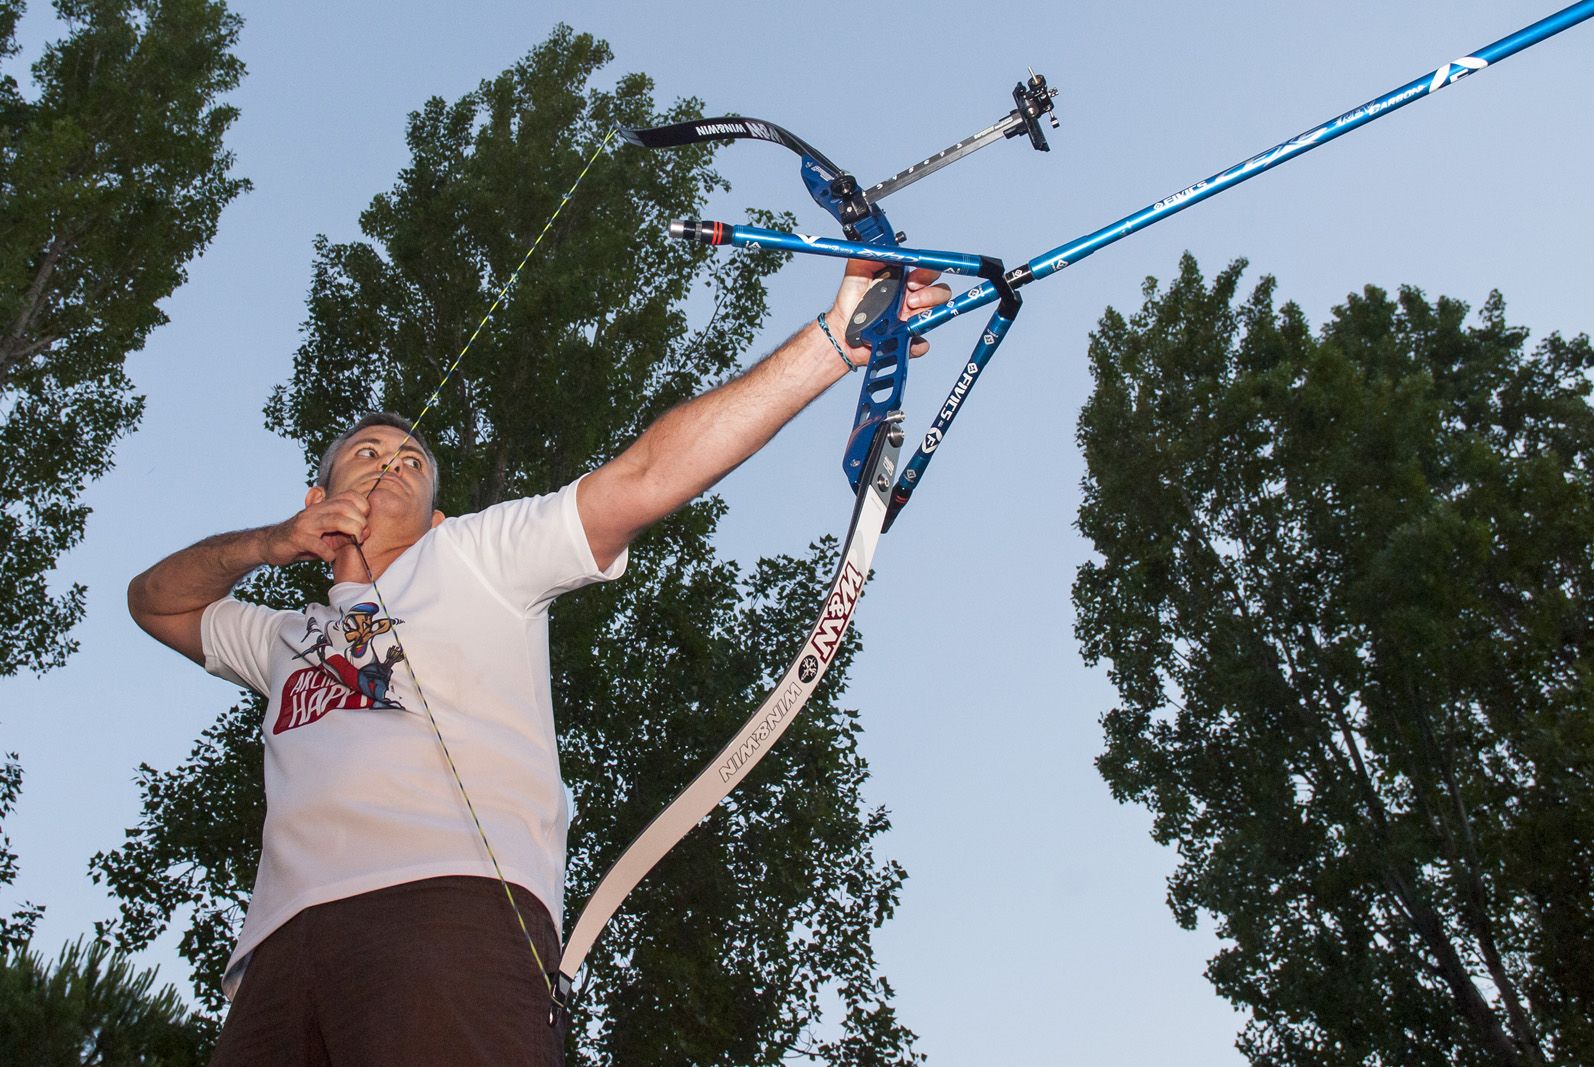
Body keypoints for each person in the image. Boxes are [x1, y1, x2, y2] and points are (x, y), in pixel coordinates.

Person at [127, 261, 950, 1066]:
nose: (390, 465)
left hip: (446, 910)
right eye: (368, 452)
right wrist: (266, 543)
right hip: (276, 958)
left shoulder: (472, 553)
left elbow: (645, 477)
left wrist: (834, 341)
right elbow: (154, 602)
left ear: (437, 514)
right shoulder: (284, 639)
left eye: (412, 462)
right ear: (317, 499)